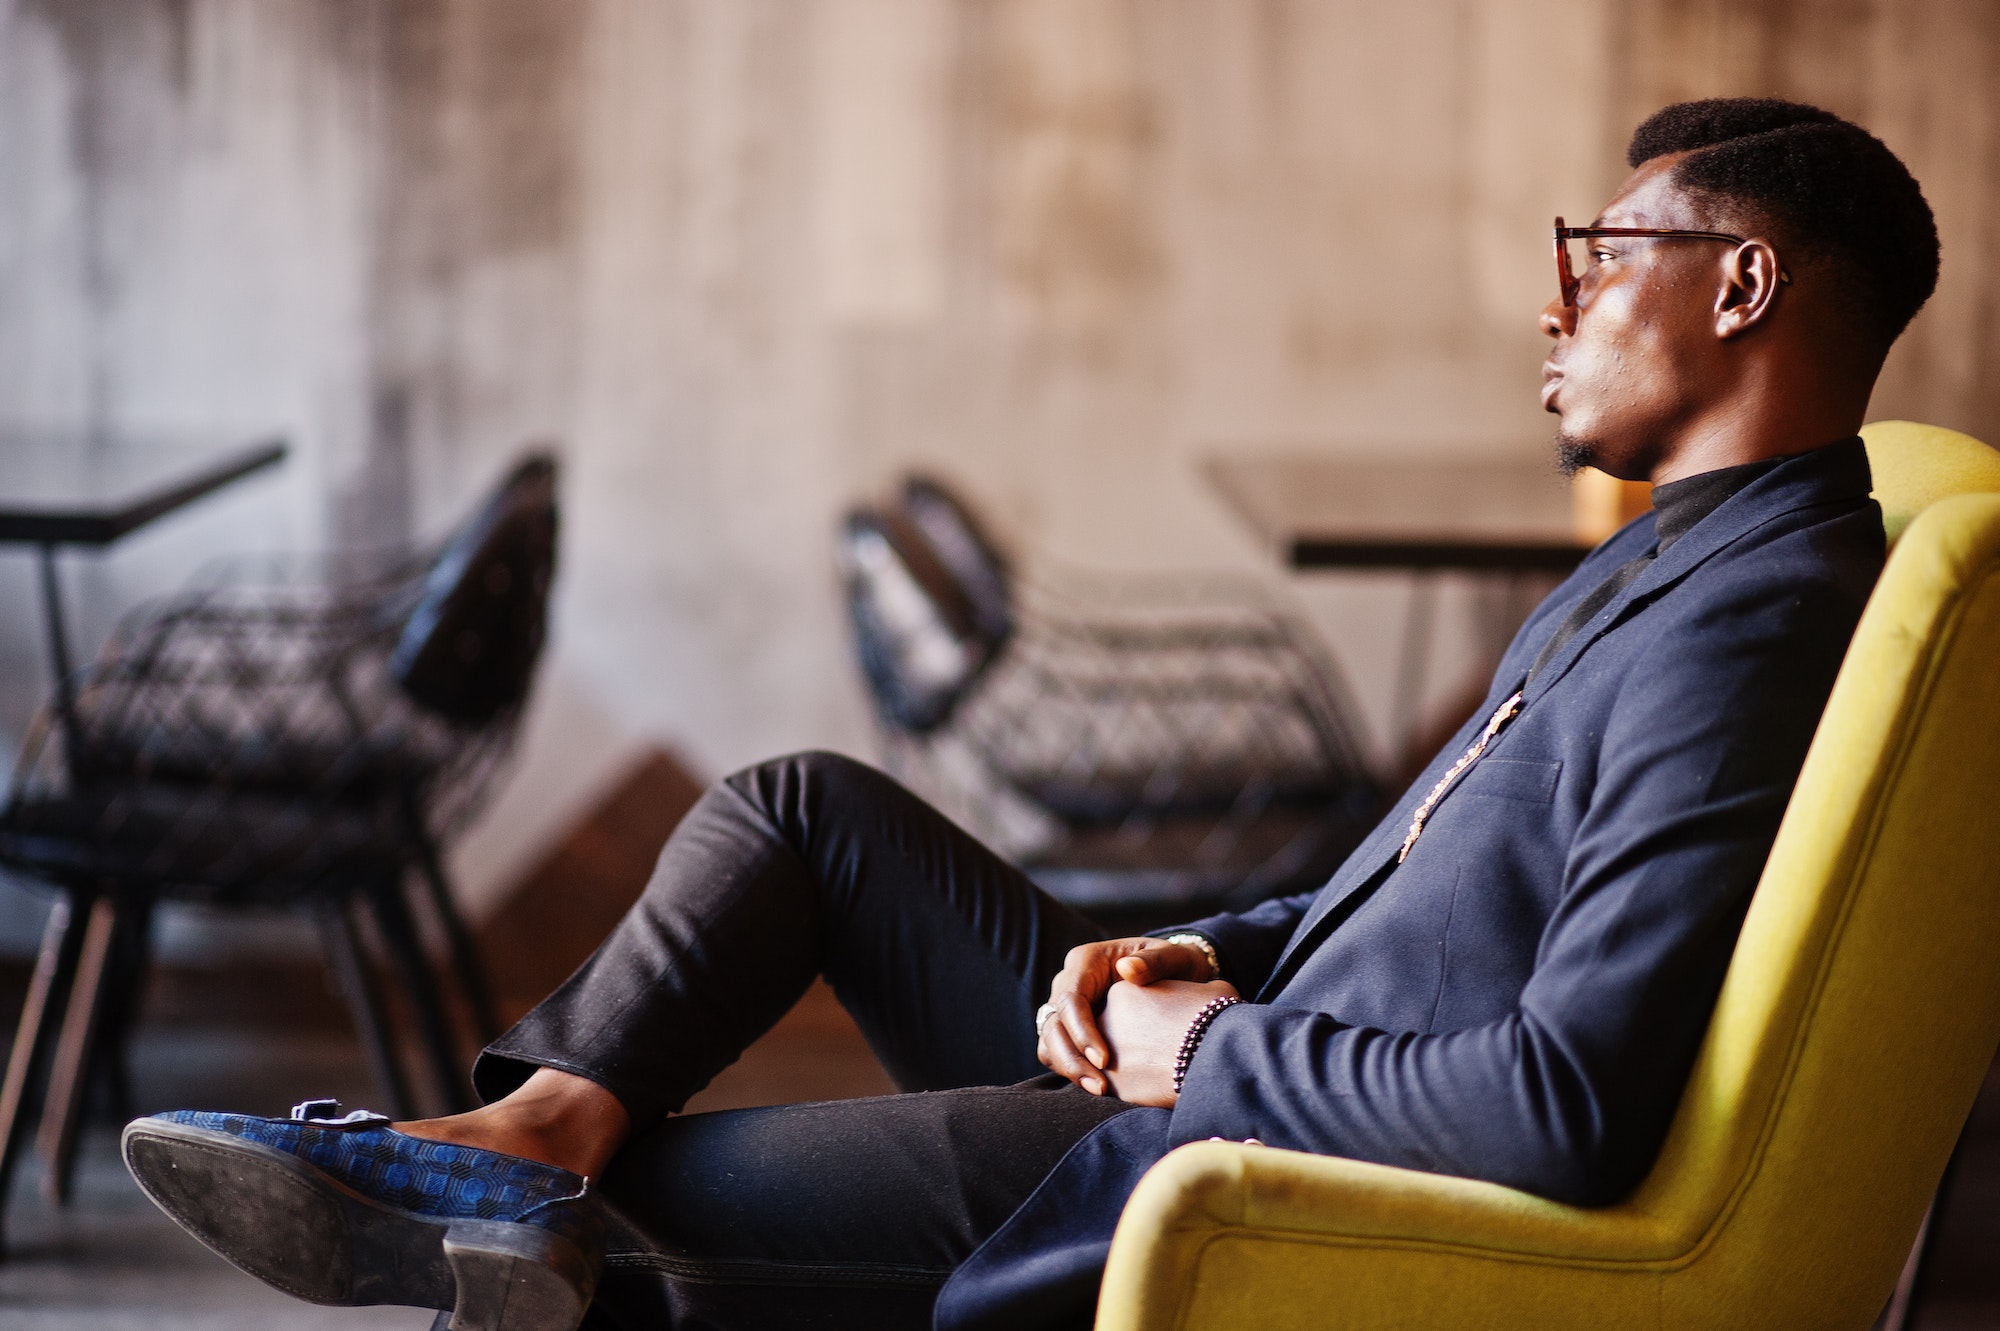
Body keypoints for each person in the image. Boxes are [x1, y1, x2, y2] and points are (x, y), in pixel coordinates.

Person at [122, 97, 1937, 1331]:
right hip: (1239, 1042)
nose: (1555, 302)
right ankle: (536, 1125)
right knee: (800, 809)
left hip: (1243, 1141)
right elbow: (1418, 885)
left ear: (1742, 286)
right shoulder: (1679, 562)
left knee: (643, 1217)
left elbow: (1562, 1108)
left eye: (1599, 254)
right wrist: (1186, 946)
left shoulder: (1749, 628)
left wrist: (1199, 1057)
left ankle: (535, 1182)